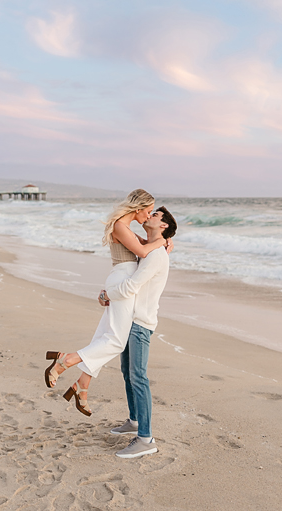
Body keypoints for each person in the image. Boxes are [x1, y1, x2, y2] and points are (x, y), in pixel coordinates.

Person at [43, 189, 169, 415]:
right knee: (116, 342)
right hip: (123, 279)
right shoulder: (121, 225)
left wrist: (162, 242)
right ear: (138, 207)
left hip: (122, 278)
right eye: (148, 211)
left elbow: (146, 249)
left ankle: (82, 385)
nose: (148, 216)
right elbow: (143, 251)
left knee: (104, 335)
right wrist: (162, 242)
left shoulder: (125, 227)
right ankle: (65, 360)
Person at [105, 206, 176, 459]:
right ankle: (134, 421)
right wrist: (165, 242)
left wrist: (107, 294)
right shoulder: (150, 249)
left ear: (164, 226)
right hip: (131, 319)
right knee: (128, 373)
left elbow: (132, 286)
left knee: (138, 377)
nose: (149, 216)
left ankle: (146, 439)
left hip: (141, 323)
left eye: (155, 215)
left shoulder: (156, 255)